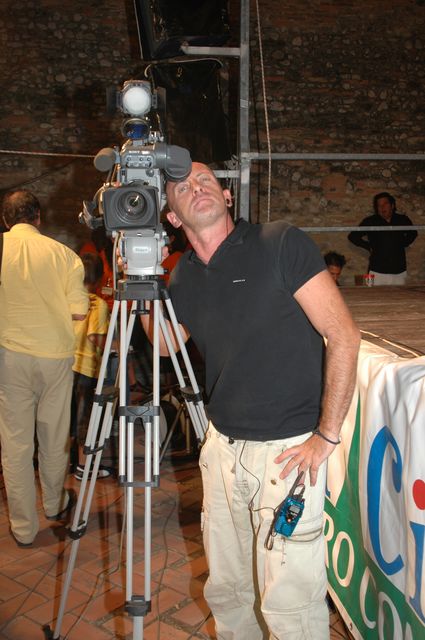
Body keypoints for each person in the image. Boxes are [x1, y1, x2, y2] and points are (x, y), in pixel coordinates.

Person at [142, 162, 360, 639]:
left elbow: (343, 334)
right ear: (173, 217)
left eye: (205, 180)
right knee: (228, 591)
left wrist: (326, 435)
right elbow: (164, 344)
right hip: (222, 449)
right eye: (183, 187)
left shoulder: (278, 242)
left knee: (289, 606)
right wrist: (140, 281)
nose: (197, 187)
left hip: (287, 454)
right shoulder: (183, 276)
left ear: (226, 196)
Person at [0, 190, 88, 547]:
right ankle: (54, 502)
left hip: (9, 357)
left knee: (15, 443)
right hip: (55, 355)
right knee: (54, 435)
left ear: (5, 220)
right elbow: (79, 311)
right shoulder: (64, 255)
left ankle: (23, 527)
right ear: (38, 217)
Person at [71, 253, 111, 479]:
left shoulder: (68, 299)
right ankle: (83, 466)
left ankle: (68, 462)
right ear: (99, 278)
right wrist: (118, 346)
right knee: (85, 418)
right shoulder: (99, 305)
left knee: (69, 417)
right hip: (87, 368)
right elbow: (95, 337)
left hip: (67, 365)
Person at [348, 192, 418, 285]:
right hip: (375, 270)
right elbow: (353, 236)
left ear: (392, 205)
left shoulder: (402, 219)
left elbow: (413, 233)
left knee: (399, 294)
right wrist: (368, 247)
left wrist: (402, 244)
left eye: (385, 204)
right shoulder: (370, 221)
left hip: (399, 271)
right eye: (379, 205)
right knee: (371, 293)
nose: (382, 207)